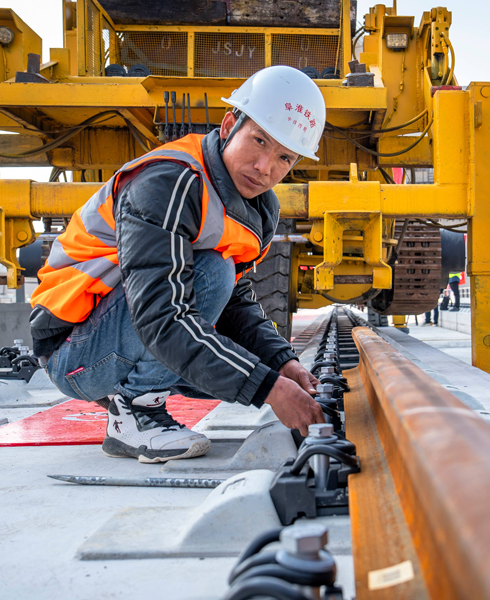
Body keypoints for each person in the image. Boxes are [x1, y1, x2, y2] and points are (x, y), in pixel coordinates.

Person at [28, 66, 326, 463]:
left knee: (241, 351)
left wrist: (280, 363)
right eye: (258, 140)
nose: (264, 167)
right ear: (228, 125)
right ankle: (135, 415)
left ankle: (139, 397)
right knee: (213, 274)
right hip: (75, 354)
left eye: (284, 157)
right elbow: (160, 315)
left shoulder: (259, 207)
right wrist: (269, 390)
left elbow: (234, 300)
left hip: (118, 335)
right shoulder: (169, 182)